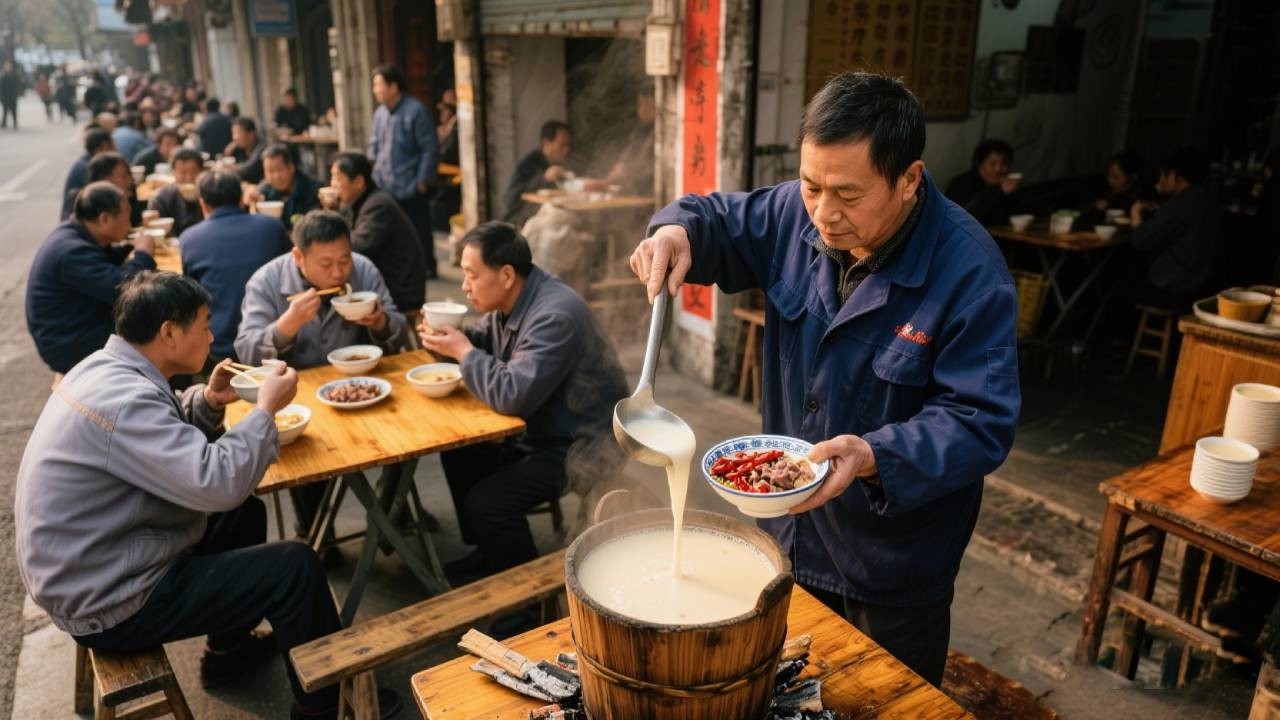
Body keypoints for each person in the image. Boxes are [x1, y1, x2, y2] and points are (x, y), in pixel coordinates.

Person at [628, 72, 1020, 687]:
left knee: (880, 697)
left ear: (909, 179)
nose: (824, 214)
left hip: (890, 562)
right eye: (811, 186)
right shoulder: (796, 213)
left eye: (848, 194)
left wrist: (873, 453)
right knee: (779, 691)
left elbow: (980, 421)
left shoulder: (970, 271)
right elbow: (713, 218)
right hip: (786, 533)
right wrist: (674, 230)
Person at [14, 270, 359, 720]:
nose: (212, 336)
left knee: (244, 515)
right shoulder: (126, 401)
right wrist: (265, 410)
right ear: (169, 333)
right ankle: (322, 709)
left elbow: (158, 443)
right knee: (296, 568)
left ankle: (227, 651)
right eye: (205, 325)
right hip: (108, 598)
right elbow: (216, 481)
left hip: (92, 563)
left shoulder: (104, 368)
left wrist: (211, 402)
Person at [417, 222, 628, 581]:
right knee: (459, 452)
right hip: (545, 427)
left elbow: (512, 394)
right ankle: (491, 552)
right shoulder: (515, 298)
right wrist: (451, 340)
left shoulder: (553, 316)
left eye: (471, 275)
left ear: (507, 274)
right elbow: (486, 340)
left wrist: (463, 351)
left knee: (488, 504)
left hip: (583, 445)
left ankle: (526, 599)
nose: (464, 286)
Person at [236, 211, 410, 545]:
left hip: (360, 390)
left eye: (344, 260)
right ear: (298, 256)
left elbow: (399, 329)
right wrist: (286, 326)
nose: (339, 272)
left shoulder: (364, 269)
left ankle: (391, 517)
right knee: (304, 454)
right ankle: (317, 535)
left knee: (405, 437)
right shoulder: (267, 281)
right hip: (299, 397)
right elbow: (246, 352)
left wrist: (379, 322)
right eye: (326, 264)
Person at [26, 182, 156, 374]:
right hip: (68, 343)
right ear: (104, 219)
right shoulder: (71, 251)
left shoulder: (73, 232)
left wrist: (129, 249)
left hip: (76, 326)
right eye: (126, 215)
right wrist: (143, 254)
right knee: (154, 326)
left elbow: (101, 262)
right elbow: (123, 289)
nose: (130, 224)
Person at [180, 169, 293, 366]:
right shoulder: (272, 227)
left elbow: (191, 296)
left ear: (203, 204)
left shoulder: (189, 239)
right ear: (241, 199)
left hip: (220, 345)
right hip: (277, 339)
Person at [327, 151, 427, 316]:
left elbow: (357, 247)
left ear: (358, 181)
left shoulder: (378, 205)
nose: (333, 184)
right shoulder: (358, 202)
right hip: (388, 279)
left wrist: (333, 214)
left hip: (400, 288)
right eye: (332, 177)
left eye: (338, 178)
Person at [368, 64, 438, 278]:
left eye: (379, 84)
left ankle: (427, 267)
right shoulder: (380, 113)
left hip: (411, 184)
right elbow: (374, 145)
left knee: (418, 230)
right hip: (385, 184)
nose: (375, 90)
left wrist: (423, 179)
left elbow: (430, 147)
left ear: (394, 86)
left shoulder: (416, 111)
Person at [1129, 146, 1219, 304]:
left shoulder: (1180, 204)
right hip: (1205, 283)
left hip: (1176, 286)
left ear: (1174, 176)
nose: (1160, 181)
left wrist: (1135, 212)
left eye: (1163, 175)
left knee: (1121, 282)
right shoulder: (1207, 198)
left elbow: (1140, 241)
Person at [502, 121, 572, 227]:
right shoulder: (528, 163)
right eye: (562, 145)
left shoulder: (562, 164)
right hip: (522, 223)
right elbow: (510, 200)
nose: (567, 150)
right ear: (546, 143)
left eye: (568, 145)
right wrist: (544, 178)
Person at [245, 144, 323, 230]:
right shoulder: (264, 190)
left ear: (291, 167)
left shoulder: (314, 190)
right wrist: (251, 202)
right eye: (270, 171)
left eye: (279, 169)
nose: (276, 176)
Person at [944, 138, 1020, 226]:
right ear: (979, 164)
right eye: (992, 164)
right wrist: (1000, 192)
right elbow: (967, 217)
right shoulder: (962, 184)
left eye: (1004, 164)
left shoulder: (1005, 184)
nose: (998, 169)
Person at [602, 87, 655, 195]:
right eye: (640, 104)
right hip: (634, 189)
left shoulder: (661, 132)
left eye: (646, 104)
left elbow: (637, 165)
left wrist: (603, 183)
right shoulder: (641, 130)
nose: (640, 110)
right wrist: (618, 168)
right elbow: (627, 157)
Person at [147, 148, 206, 235]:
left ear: (202, 171)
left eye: (194, 172)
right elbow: (156, 228)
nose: (189, 178)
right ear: (173, 173)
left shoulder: (210, 194)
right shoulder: (162, 197)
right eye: (183, 172)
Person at [61, 129, 115, 220]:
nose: (114, 151)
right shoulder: (87, 168)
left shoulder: (87, 161)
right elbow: (102, 197)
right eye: (110, 148)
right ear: (99, 150)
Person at [88, 152, 145, 226]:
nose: (130, 181)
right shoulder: (92, 212)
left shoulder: (131, 201)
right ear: (105, 180)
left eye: (129, 175)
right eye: (124, 176)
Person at [227, 117, 267, 184]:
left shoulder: (262, 147)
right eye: (233, 133)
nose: (235, 137)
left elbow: (249, 169)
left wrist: (227, 167)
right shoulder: (239, 149)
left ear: (251, 134)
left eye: (238, 133)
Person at [1, 61, 21, 129]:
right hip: (5, 97)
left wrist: (17, 93)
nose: (8, 68)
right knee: (5, 110)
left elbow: (17, 85)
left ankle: (15, 123)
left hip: (13, 96)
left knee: (14, 111)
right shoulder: (3, 76)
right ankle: (4, 123)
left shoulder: (14, 76)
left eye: (9, 67)